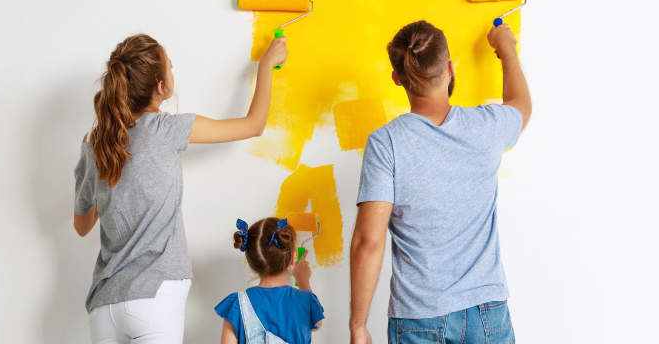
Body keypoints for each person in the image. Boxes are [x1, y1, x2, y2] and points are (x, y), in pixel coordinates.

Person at [73, 33, 287, 344]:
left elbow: (82, 226)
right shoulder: (167, 129)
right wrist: (266, 65)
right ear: (161, 87)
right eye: (170, 66)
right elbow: (253, 125)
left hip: (104, 306)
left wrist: (108, 186)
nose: (173, 70)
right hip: (154, 299)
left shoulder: (94, 144)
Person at [348, 21, 532, 344]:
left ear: (397, 80)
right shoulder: (485, 126)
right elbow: (521, 105)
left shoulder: (386, 143)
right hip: (486, 312)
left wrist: (358, 325)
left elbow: (369, 243)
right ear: (449, 68)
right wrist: (505, 48)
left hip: (420, 319)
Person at [215, 217, 325, 344]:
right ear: (293, 257)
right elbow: (318, 323)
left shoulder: (237, 305)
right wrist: (303, 281)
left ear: (251, 261)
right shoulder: (306, 301)